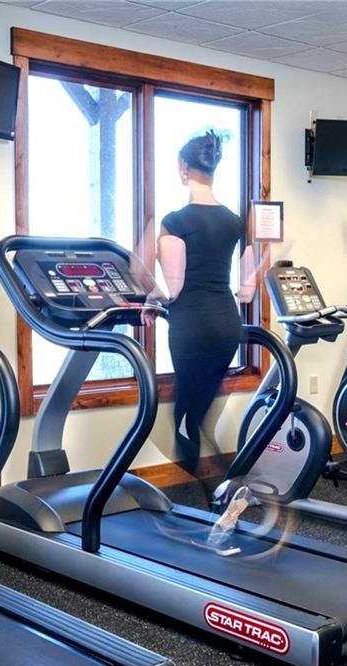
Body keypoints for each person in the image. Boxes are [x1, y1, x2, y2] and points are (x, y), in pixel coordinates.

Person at [144, 129, 256, 494]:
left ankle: (218, 495)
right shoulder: (234, 221)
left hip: (191, 325)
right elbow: (248, 283)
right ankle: (223, 489)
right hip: (227, 323)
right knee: (198, 412)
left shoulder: (175, 221)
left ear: (183, 168)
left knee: (186, 418)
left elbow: (172, 288)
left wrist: (152, 298)